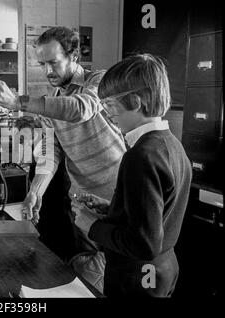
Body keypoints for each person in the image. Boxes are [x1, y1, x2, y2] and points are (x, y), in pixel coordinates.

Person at [0, 26, 126, 292]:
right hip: (84, 202)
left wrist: (17, 100)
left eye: (53, 62)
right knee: (89, 279)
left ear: (74, 56)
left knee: (119, 276)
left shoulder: (100, 81)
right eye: (42, 64)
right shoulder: (52, 101)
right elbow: (52, 153)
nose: (47, 71)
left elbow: (82, 109)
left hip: (117, 196)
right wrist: (35, 192)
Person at [74, 54, 192, 296]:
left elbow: (143, 245)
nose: (106, 113)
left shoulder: (140, 156)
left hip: (138, 278)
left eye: (109, 104)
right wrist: (113, 208)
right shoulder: (172, 145)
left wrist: (92, 226)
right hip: (163, 270)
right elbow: (155, 217)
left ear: (136, 101)